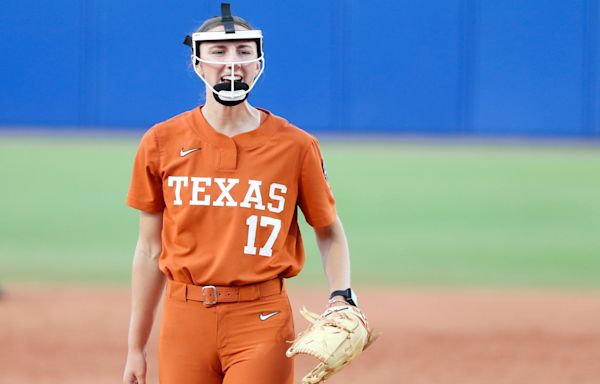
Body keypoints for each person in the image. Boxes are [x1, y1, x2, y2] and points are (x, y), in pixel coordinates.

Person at [122, 3, 359, 384]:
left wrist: (341, 295)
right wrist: (135, 347)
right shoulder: (161, 141)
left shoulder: (296, 146)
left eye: (244, 51)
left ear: (259, 61)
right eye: (218, 51)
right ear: (198, 64)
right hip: (185, 316)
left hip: (261, 317)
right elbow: (149, 251)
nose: (232, 62)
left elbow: (328, 229)